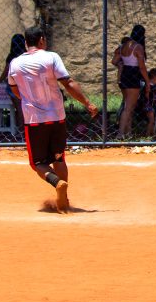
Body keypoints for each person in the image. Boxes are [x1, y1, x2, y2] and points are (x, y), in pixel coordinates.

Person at [7, 26, 99, 213]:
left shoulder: (15, 63)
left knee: (38, 163)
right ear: (42, 40)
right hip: (57, 117)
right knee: (58, 158)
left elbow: (15, 90)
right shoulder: (51, 57)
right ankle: (64, 199)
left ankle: (57, 183)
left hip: (34, 120)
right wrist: (87, 103)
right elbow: (68, 83)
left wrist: (28, 98)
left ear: (26, 43)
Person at [112, 28, 149, 139]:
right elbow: (142, 67)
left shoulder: (122, 46)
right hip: (133, 75)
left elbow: (114, 61)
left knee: (129, 106)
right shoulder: (138, 47)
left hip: (124, 75)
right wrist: (147, 81)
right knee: (128, 107)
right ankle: (120, 134)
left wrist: (120, 65)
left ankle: (128, 133)